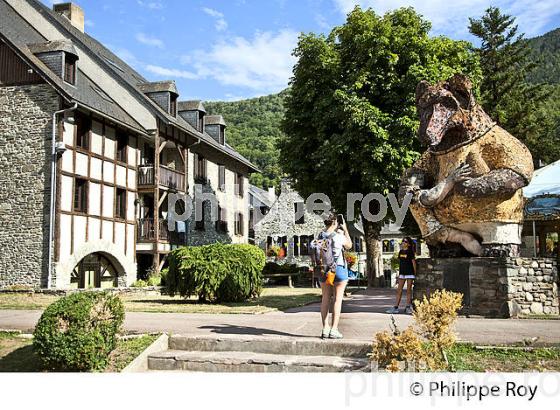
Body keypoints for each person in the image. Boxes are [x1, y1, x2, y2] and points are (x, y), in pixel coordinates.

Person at [317, 213, 352, 339]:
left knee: (325, 298)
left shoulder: (320, 236)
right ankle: (334, 329)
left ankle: (325, 328)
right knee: (337, 300)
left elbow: (320, 253)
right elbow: (349, 245)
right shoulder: (339, 236)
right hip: (338, 269)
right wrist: (346, 230)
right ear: (335, 223)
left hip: (324, 270)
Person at [386, 237, 417, 314]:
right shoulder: (400, 252)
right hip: (402, 274)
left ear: (408, 244)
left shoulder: (410, 252)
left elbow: (413, 263)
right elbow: (401, 263)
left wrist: (415, 273)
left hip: (410, 273)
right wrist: (399, 274)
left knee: (408, 291)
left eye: (405, 241)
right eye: (402, 241)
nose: (403, 242)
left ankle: (408, 307)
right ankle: (395, 307)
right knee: (399, 290)